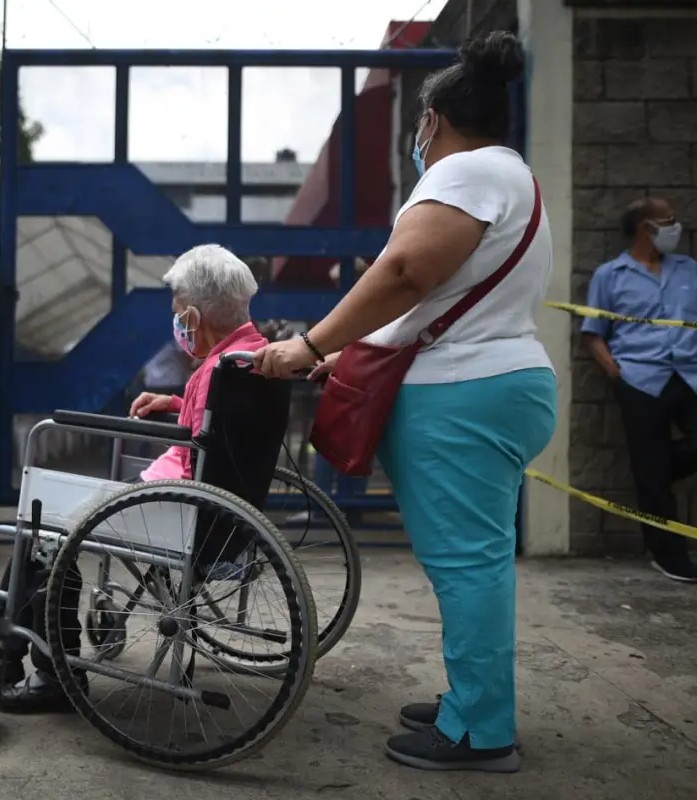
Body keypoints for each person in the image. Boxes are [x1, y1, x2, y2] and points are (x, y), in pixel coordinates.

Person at [253, 32, 554, 773]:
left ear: (433, 122)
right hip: (490, 385)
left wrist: (310, 346)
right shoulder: (509, 177)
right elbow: (427, 297)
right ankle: (472, 700)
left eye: (420, 129)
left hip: (464, 394)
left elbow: (402, 272)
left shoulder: (466, 173)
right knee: (474, 561)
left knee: (467, 565)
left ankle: (481, 730)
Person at [0, 243, 268, 713]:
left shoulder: (216, 371)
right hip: (210, 509)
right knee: (45, 524)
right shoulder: (251, 354)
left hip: (175, 509)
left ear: (194, 312)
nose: (176, 321)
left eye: (177, 312)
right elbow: (209, 427)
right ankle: (4, 660)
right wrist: (173, 403)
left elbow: (196, 445)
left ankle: (44, 672)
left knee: (41, 531)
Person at [582, 197, 697, 583]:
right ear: (644, 229)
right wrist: (616, 373)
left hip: (695, 375)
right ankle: (669, 555)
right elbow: (593, 334)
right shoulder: (609, 275)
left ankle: (653, 470)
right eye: (667, 222)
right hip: (640, 379)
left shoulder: (688, 269)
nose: (675, 228)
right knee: (651, 478)